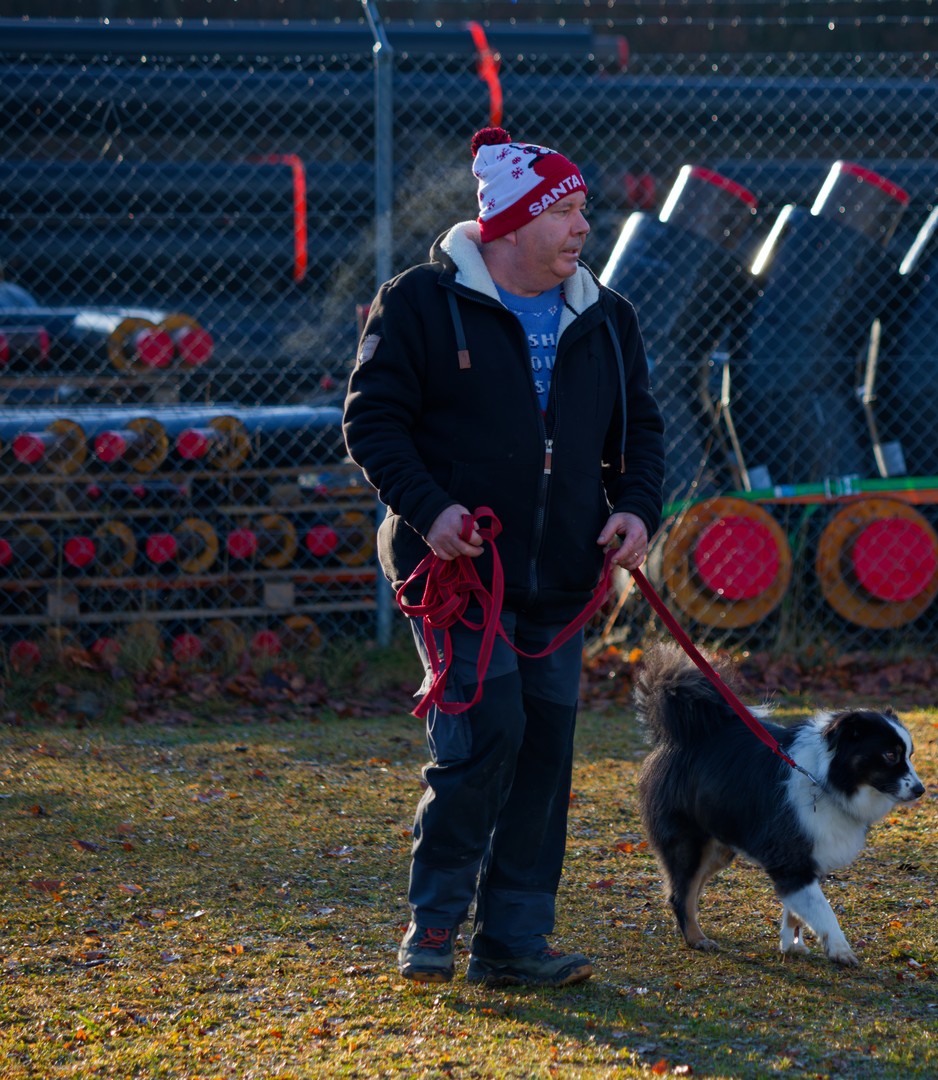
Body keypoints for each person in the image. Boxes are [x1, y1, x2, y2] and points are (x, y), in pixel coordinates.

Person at [343, 127, 665, 988]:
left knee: (546, 749)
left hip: (560, 579)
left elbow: (641, 435)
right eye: (564, 211)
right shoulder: (418, 302)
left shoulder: (608, 316)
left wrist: (636, 510)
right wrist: (432, 509)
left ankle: (515, 941)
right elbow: (372, 422)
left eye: (584, 210)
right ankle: (434, 922)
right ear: (513, 224)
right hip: (455, 576)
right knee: (487, 734)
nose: (582, 227)